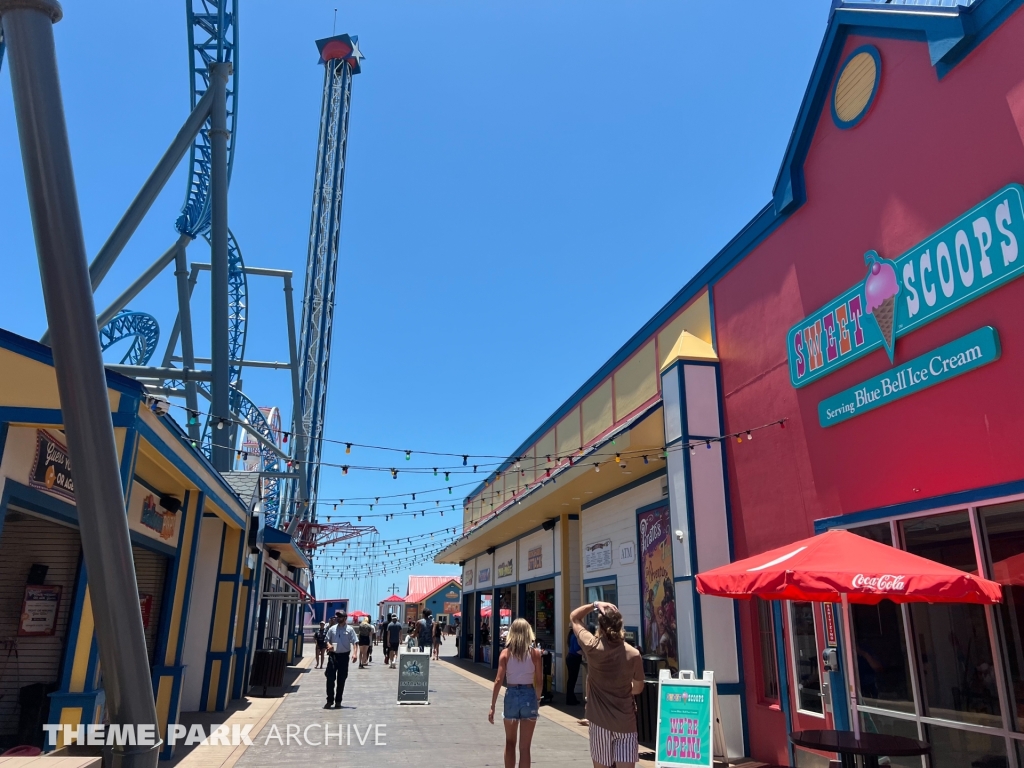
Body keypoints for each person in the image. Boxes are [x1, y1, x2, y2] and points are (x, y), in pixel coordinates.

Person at [570, 601, 644, 768]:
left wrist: (595, 604)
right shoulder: (633, 654)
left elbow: (574, 618)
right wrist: (623, 688)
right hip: (625, 722)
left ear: (601, 626)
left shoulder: (592, 646)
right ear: (620, 625)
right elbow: (638, 688)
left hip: (599, 723)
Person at [488, 618, 543, 768]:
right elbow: (539, 681)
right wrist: (537, 699)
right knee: (525, 747)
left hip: (511, 694)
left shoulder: (505, 653)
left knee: (510, 742)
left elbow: (498, 680)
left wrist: (493, 705)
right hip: (529, 695)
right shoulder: (535, 654)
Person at [324, 610, 357, 708]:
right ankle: (329, 700)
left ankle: (338, 701)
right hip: (333, 656)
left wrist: (355, 653)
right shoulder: (332, 629)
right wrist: (329, 645)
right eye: (337, 617)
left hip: (344, 657)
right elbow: (327, 640)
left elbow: (355, 642)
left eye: (340, 617)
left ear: (345, 618)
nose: (338, 618)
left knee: (341, 679)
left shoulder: (350, 630)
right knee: (330, 678)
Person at [565, 627, 583, 706]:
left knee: (571, 680)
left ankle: (570, 698)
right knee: (572, 680)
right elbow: (577, 649)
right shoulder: (576, 636)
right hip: (574, 659)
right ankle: (571, 699)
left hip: (570, 658)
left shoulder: (571, 635)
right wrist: (586, 654)